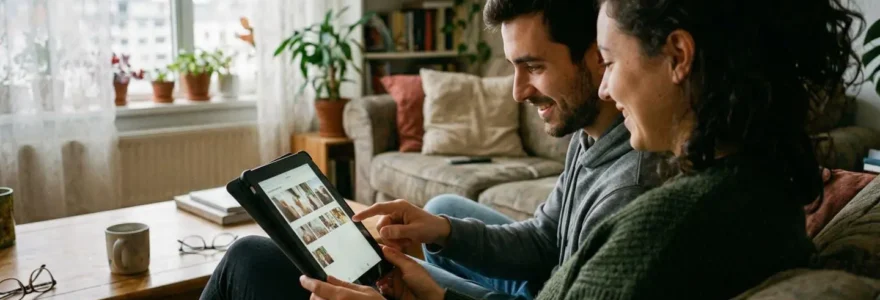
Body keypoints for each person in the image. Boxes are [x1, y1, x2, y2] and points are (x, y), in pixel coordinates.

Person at [297, 0, 864, 298]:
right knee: (442, 215)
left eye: (611, 62)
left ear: (678, 57)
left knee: (254, 262)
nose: (607, 88)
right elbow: (550, 243)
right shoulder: (761, 174)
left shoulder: (657, 223)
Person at [199, 0, 665, 299]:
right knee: (431, 220)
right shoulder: (594, 136)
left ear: (595, 57)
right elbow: (546, 240)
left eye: (533, 67)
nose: (517, 92)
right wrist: (440, 229)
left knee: (248, 258)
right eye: (513, 68)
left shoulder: (632, 186)